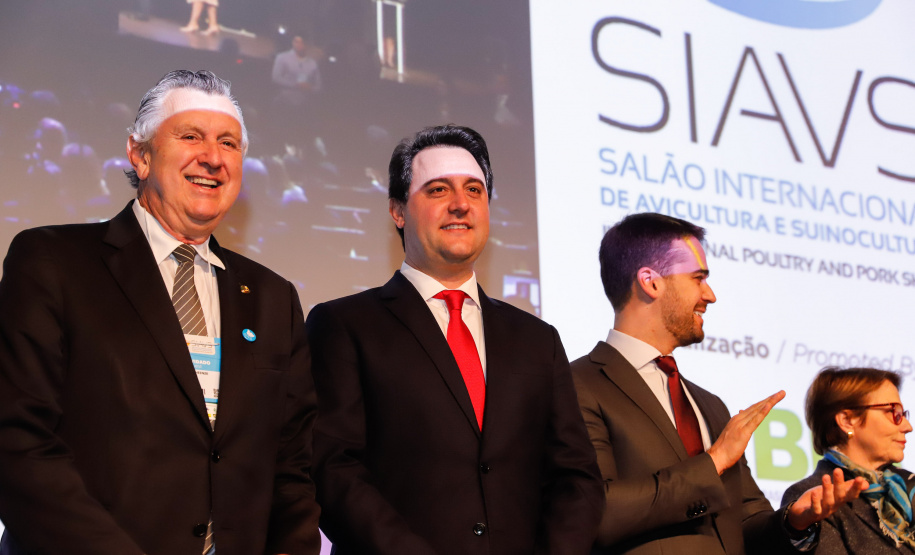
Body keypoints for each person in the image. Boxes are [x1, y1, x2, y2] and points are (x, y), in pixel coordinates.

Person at [0, 70, 320, 555]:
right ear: (139, 154)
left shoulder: (275, 298)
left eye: (228, 143)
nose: (212, 157)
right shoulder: (52, 262)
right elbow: (17, 441)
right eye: (190, 135)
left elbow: (292, 469)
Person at [305, 124, 603, 554]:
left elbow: (577, 477)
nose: (461, 205)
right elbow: (332, 469)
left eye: (475, 191)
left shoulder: (538, 340)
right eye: (438, 190)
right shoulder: (344, 325)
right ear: (398, 210)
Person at [571, 212, 868, 555]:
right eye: (698, 278)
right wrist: (713, 462)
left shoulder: (708, 404)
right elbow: (597, 512)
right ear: (650, 282)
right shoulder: (578, 386)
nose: (710, 295)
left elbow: (745, 523)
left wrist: (794, 521)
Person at [782, 367, 915, 553]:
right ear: (847, 420)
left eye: (903, 414)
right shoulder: (812, 498)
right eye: (894, 412)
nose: (907, 426)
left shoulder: (909, 487)